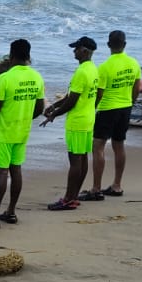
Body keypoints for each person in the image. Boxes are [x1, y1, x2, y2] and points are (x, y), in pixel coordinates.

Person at [0, 39, 43, 229]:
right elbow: (40, 108)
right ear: (28, 56)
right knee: (16, 170)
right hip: (22, 132)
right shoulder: (37, 77)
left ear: (11, 56)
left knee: (1, 174)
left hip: (5, 132)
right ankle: (11, 212)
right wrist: (25, 117)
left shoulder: (5, 78)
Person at [39, 36, 98, 210]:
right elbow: (71, 96)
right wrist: (54, 106)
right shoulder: (93, 69)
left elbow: (72, 101)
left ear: (85, 51)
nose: (74, 51)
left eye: (77, 48)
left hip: (77, 121)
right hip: (88, 119)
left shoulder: (81, 72)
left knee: (75, 161)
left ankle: (68, 199)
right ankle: (74, 196)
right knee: (83, 158)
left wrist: (53, 115)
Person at [84, 30, 141, 198]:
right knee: (119, 145)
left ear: (109, 45)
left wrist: (92, 108)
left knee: (98, 146)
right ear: (124, 44)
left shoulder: (104, 67)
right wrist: (130, 102)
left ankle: (96, 188)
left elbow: (99, 93)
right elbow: (137, 87)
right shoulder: (133, 63)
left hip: (108, 109)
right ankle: (117, 185)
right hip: (125, 107)